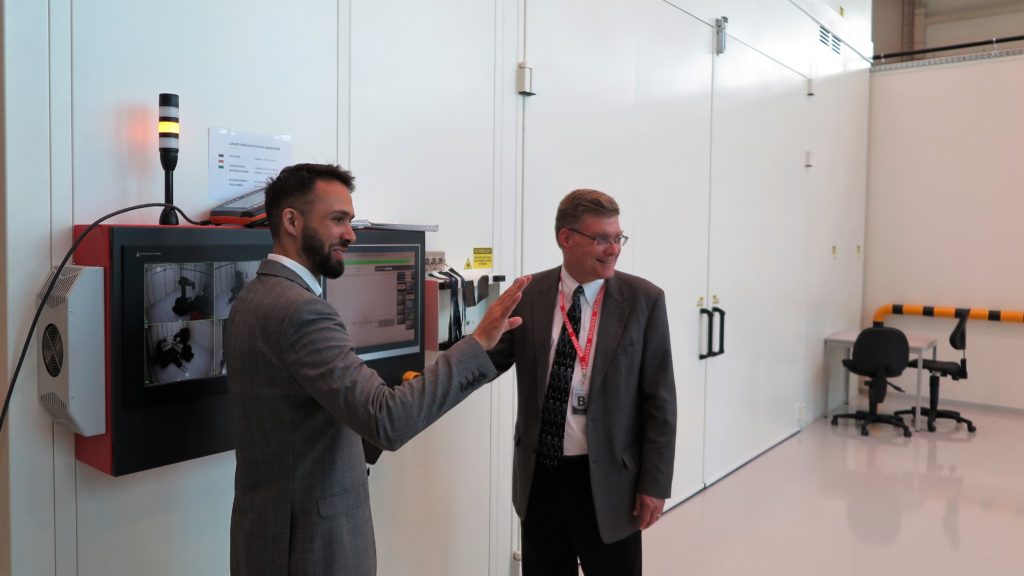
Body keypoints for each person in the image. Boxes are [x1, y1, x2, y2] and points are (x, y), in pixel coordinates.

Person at [223, 163, 530, 576]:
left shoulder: (252, 298)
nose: (350, 234)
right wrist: (476, 346)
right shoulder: (303, 312)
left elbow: (294, 417)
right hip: (313, 546)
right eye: (337, 220)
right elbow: (388, 421)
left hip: (266, 534)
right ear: (291, 221)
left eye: (349, 220)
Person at [488, 189, 676, 576]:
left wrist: (654, 483)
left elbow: (660, 402)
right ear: (566, 238)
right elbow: (485, 361)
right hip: (541, 478)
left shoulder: (644, 301)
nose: (613, 249)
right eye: (602, 239)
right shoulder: (529, 296)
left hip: (610, 484)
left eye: (617, 237)